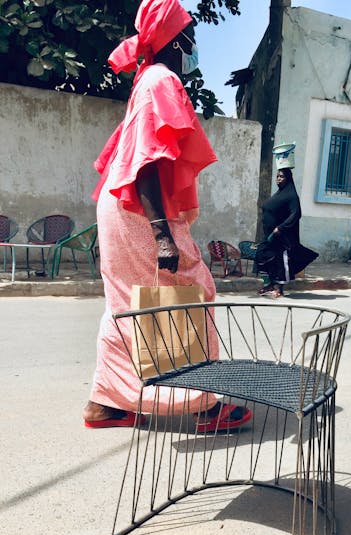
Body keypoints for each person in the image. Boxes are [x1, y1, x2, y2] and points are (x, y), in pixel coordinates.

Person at [83, 0, 251, 432]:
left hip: (118, 205)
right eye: (190, 34)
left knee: (124, 304)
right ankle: (203, 405)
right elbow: (148, 161)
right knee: (195, 288)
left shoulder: (145, 80)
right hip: (141, 208)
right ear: (175, 40)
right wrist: (162, 235)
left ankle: (106, 403)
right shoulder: (161, 79)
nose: (195, 44)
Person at [255, 168, 318, 297]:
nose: (278, 179)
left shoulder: (291, 196)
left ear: (288, 178)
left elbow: (296, 214)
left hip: (282, 237)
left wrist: (281, 228)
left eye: (281, 176)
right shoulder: (279, 194)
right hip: (269, 236)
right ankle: (270, 284)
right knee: (263, 256)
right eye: (277, 176)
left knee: (280, 261)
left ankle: (279, 288)